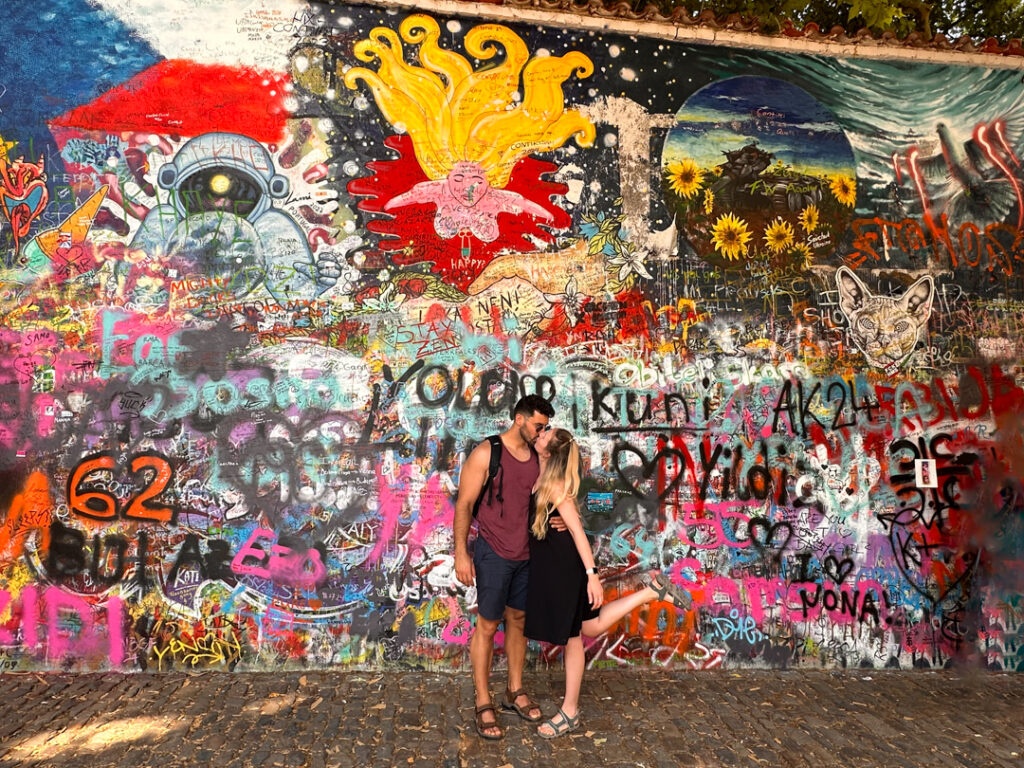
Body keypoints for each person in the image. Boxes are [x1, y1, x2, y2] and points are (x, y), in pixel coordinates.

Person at [525, 427, 692, 739]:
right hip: (557, 569)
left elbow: (576, 532)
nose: (539, 435)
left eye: (545, 435)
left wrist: (591, 576)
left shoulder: (556, 485)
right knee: (587, 628)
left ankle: (570, 711)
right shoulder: (540, 476)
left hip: (566, 570)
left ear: (551, 452)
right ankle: (651, 592)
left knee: (574, 637)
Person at [453, 394, 555, 740]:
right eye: (539, 425)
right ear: (519, 419)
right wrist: (461, 554)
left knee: (519, 620)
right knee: (487, 624)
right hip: (493, 553)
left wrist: (557, 521)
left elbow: (547, 498)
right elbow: (464, 504)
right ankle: (483, 700)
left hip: (528, 554)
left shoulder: (538, 458)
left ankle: (514, 689)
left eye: (545, 427)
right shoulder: (488, 453)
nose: (542, 432)